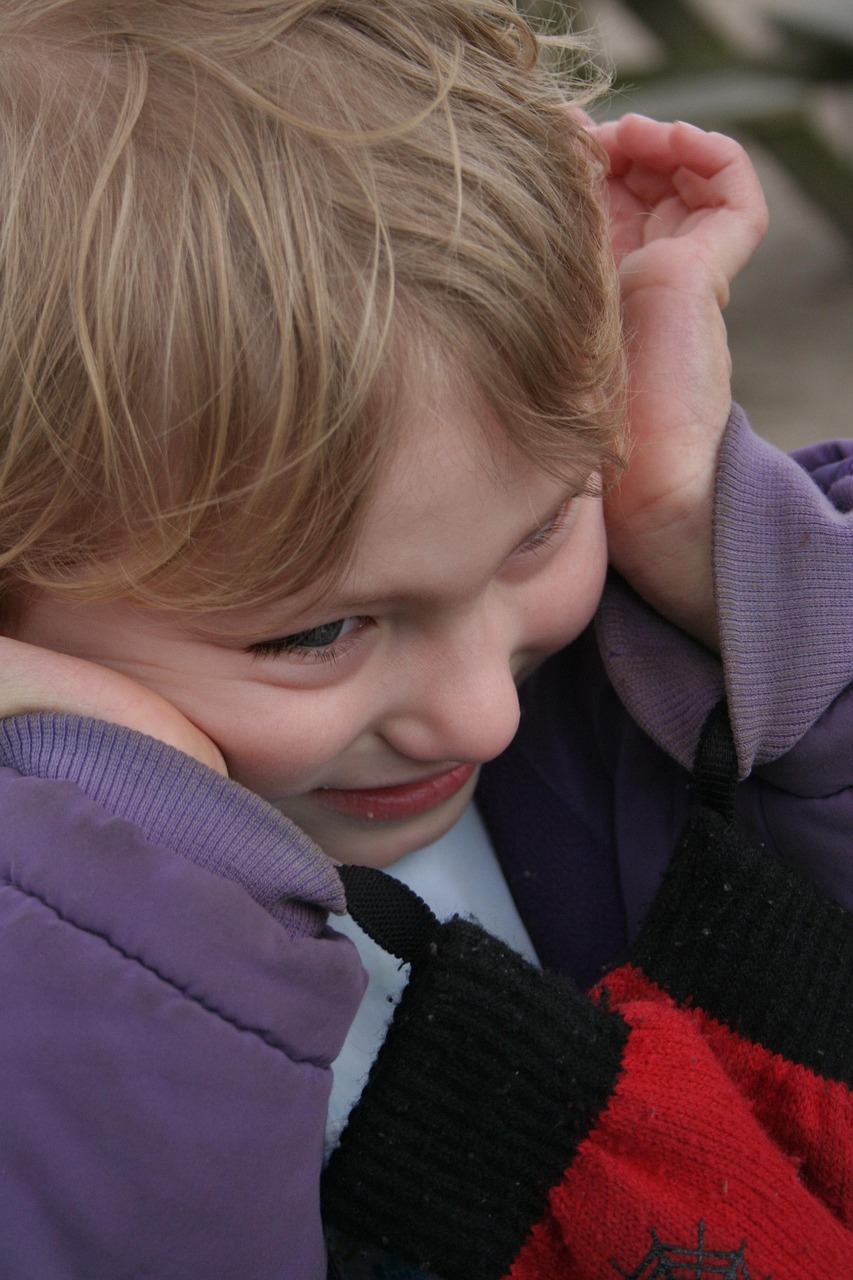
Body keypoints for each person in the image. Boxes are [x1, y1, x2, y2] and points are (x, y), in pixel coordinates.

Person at [0, 1, 850, 1277]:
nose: (481, 715)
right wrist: (110, 876)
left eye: (538, 529)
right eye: (317, 630)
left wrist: (726, 556)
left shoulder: (648, 644)